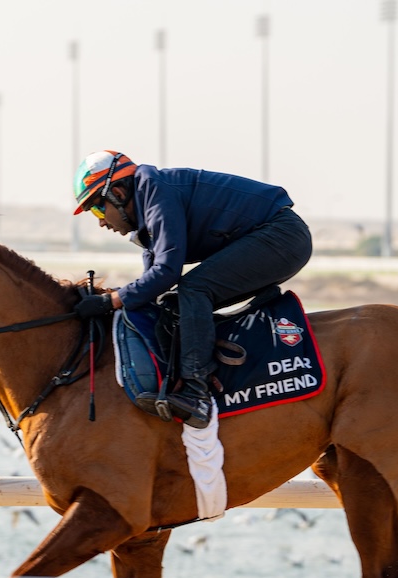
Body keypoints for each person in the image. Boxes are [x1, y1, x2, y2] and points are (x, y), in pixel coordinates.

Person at [72, 150, 312, 429]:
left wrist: (109, 301)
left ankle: (196, 393)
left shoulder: (156, 192)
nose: (101, 221)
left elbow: (166, 271)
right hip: (274, 236)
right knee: (172, 303)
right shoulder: (146, 210)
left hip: (282, 236)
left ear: (119, 191)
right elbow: (153, 281)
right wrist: (116, 299)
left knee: (193, 290)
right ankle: (187, 379)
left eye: (99, 209)